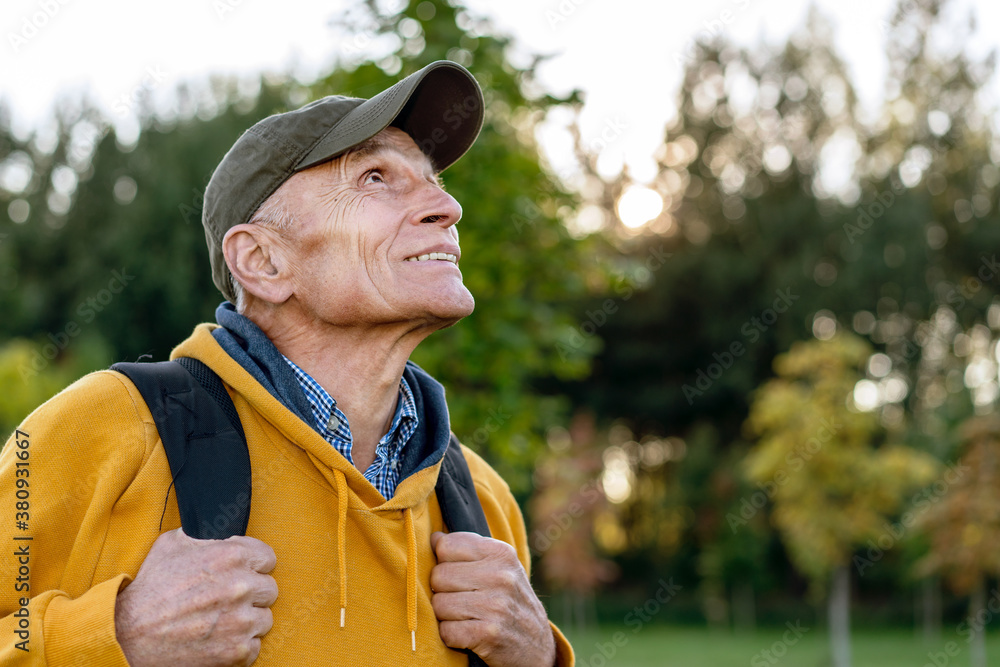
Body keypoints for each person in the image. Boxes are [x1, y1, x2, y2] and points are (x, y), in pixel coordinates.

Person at [0, 60, 575, 666]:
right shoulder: (107, 429)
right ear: (263, 262)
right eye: (376, 177)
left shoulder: (482, 499)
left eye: (433, 180)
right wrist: (113, 637)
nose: (447, 206)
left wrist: (538, 656)